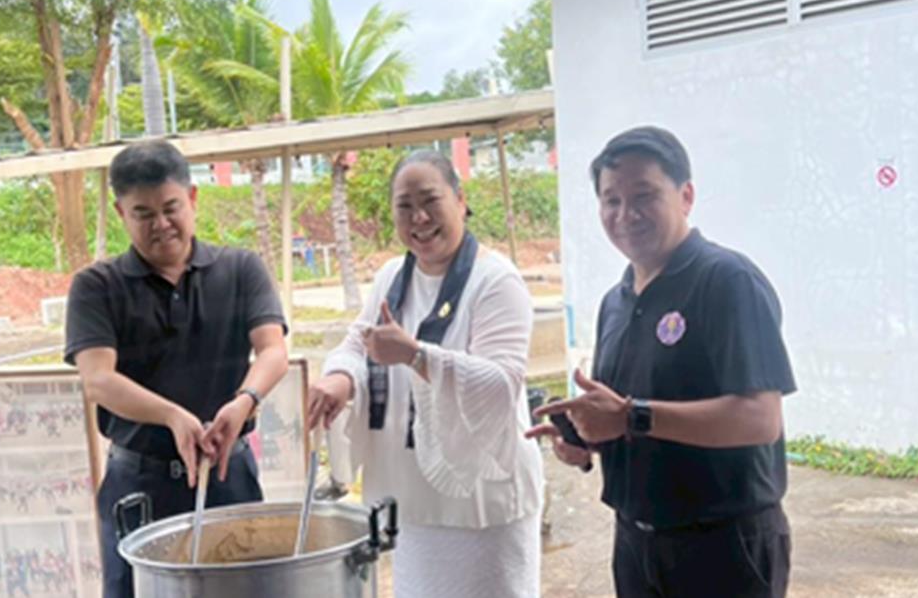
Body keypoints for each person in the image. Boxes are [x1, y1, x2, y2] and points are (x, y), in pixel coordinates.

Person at [530, 126, 796, 598]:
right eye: (610, 200)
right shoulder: (617, 301)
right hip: (635, 545)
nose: (625, 214)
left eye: (644, 195)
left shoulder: (726, 280)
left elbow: (760, 419)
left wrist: (632, 415)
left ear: (686, 195)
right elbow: (625, 414)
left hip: (722, 549)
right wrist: (585, 443)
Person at [307, 150, 544, 598]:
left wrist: (417, 356)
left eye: (431, 200)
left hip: (480, 503)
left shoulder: (496, 281)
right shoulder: (393, 277)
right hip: (412, 496)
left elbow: (502, 382)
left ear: (460, 199)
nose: (419, 218)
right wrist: (340, 377)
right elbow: (359, 342)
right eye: (404, 206)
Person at [65, 139, 288, 598]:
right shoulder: (95, 287)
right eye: (143, 213)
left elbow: (272, 351)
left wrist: (244, 402)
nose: (161, 224)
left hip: (229, 475)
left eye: (170, 207)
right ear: (120, 212)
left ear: (192, 199)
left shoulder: (241, 269)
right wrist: (172, 416)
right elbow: (97, 378)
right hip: (140, 484)